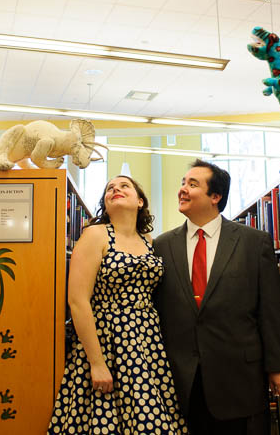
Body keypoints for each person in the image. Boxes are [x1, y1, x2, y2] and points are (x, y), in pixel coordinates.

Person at [153, 159, 280, 435]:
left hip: (238, 379)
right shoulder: (162, 245)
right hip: (179, 380)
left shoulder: (253, 242)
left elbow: (270, 310)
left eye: (193, 184)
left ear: (215, 196)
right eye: (183, 183)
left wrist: (279, 366)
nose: (183, 189)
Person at [48, 175, 187, 434]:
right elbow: (78, 301)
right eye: (110, 188)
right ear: (105, 201)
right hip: (106, 340)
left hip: (147, 343)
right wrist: (97, 362)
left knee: (150, 418)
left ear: (140, 201)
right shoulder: (95, 235)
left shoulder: (151, 242)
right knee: (104, 418)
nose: (116, 189)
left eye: (125, 186)